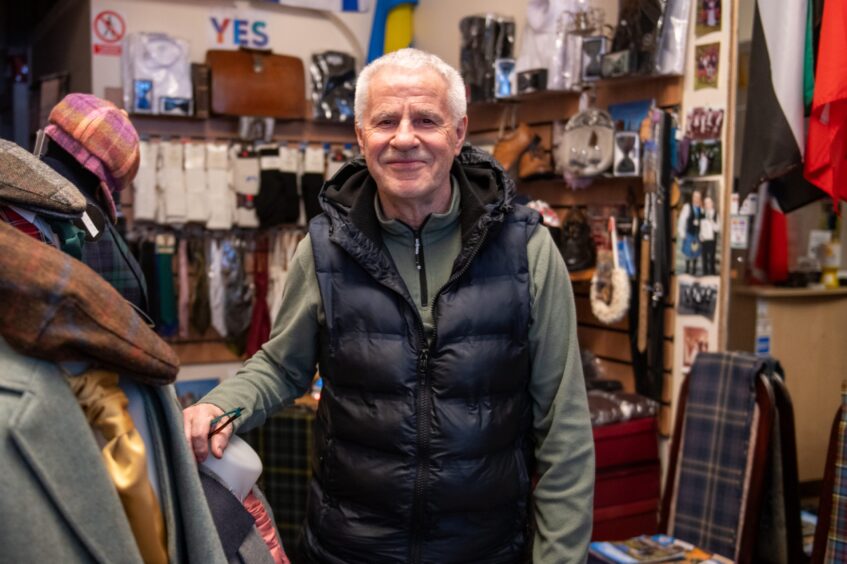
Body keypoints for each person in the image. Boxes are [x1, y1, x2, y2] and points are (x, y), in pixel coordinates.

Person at [183, 48, 594, 563]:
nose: (404, 138)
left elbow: (565, 430)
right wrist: (222, 406)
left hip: (485, 551)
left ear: (459, 133)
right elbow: (280, 366)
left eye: (425, 119)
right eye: (385, 121)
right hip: (349, 549)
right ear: (360, 137)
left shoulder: (526, 249)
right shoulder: (326, 247)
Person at [678, 188, 704, 275]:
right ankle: (687, 269)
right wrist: (682, 232)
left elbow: (703, 223)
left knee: (696, 252)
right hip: (689, 233)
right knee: (688, 252)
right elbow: (682, 220)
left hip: (697, 234)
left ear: (700, 199)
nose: (696, 199)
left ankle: (694, 269)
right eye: (695, 197)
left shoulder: (701, 209)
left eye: (698, 197)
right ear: (693, 198)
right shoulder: (687, 207)